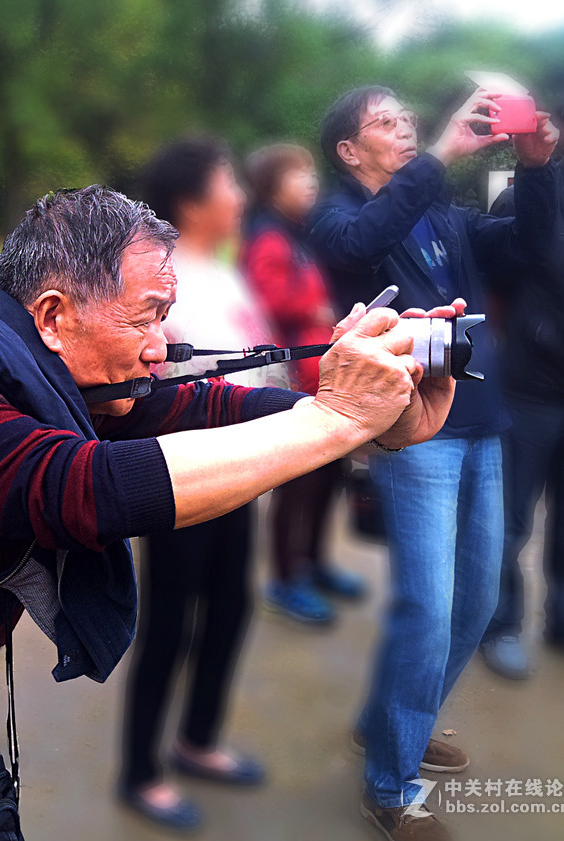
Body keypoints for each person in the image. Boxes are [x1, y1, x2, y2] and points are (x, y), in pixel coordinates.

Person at [0, 184, 459, 841]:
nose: (161, 347)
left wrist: (353, 411)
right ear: (56, 314)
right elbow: (80, 490)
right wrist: (335, 423)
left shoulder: (54, 373)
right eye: (146, 317)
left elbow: (200, 406)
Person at [309, 86, 558, 840]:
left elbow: (531, 249)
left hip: (482, 419)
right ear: (349, 152)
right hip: (413, 432)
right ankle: (391, 782)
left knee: (477, 601)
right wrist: (446, 153)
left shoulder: (446, 215)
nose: (409, 131)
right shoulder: (337, 217)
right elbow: (355, 248)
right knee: (427, 609)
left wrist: (539, 166)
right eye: (387, 123)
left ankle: (390, 723)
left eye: (410, 121)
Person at [116, 137, 282, 831]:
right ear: (192, 201)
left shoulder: (223, 270)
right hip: (181, 471)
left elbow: (257, 362)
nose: (240, 196)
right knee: (169, 621)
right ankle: (140, 771)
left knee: (231, 607)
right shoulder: (158, 279)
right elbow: (149, 385)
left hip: (240, 465)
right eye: (228, 184)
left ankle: (197, 739)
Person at [480, 79, 564, 678]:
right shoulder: (529, 198)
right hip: (533, 387)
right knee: (512, 515)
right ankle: (499, 623)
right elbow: (497, 284)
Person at [242, 143, 364, 627]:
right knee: (297, 486)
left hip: (322, 382)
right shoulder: (267, 237)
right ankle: (286, 579)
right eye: (299, 176)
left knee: (328, 480)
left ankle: (314, 565)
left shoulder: (296, 235)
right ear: (272, 186)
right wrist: (314, 309)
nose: (311, 184)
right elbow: (265, 297)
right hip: (295, 385)